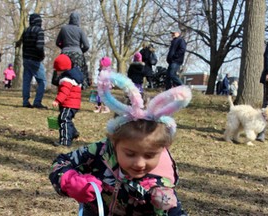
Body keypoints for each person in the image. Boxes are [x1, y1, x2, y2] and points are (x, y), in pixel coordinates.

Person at [49, 71, 191, 215]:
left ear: (162, 149)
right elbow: (62, 162)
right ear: (114, 142)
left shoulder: (160, 190)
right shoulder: (100, 151)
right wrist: (69, 181)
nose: (139, 163)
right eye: (130, 153)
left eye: (149, 155)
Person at [52, 54, 83, 147]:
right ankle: (73, 132)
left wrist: (57, 100)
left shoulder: (66, 79)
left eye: (56, 70)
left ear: (61, 69)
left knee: (64, 119)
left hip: (69, 104)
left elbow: (64, 92)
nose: (56, 72)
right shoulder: (71, 77)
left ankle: (65, 141)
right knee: (64, 118)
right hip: (72, 104)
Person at [56, 12, 90, 89]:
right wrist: (81, 51)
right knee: (77, 75)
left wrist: (64, 48)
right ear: (78, 20)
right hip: (77, 55)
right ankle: (75, 91)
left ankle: (63, 91)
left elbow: (57, 42)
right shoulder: (80, 30)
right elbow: (87, 45)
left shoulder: (63, 29)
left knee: (64, 74)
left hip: (65, 54)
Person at [22, 13, 47, 109]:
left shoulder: (26, 31)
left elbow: (23, 46)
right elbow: (39, 46)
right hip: (35, 59)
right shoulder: (39, 31)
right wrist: (41, 56)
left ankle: (25, 101)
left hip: (26, 58)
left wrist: (24, 56)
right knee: (42, 81)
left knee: (26, 81)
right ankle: (37, 101)